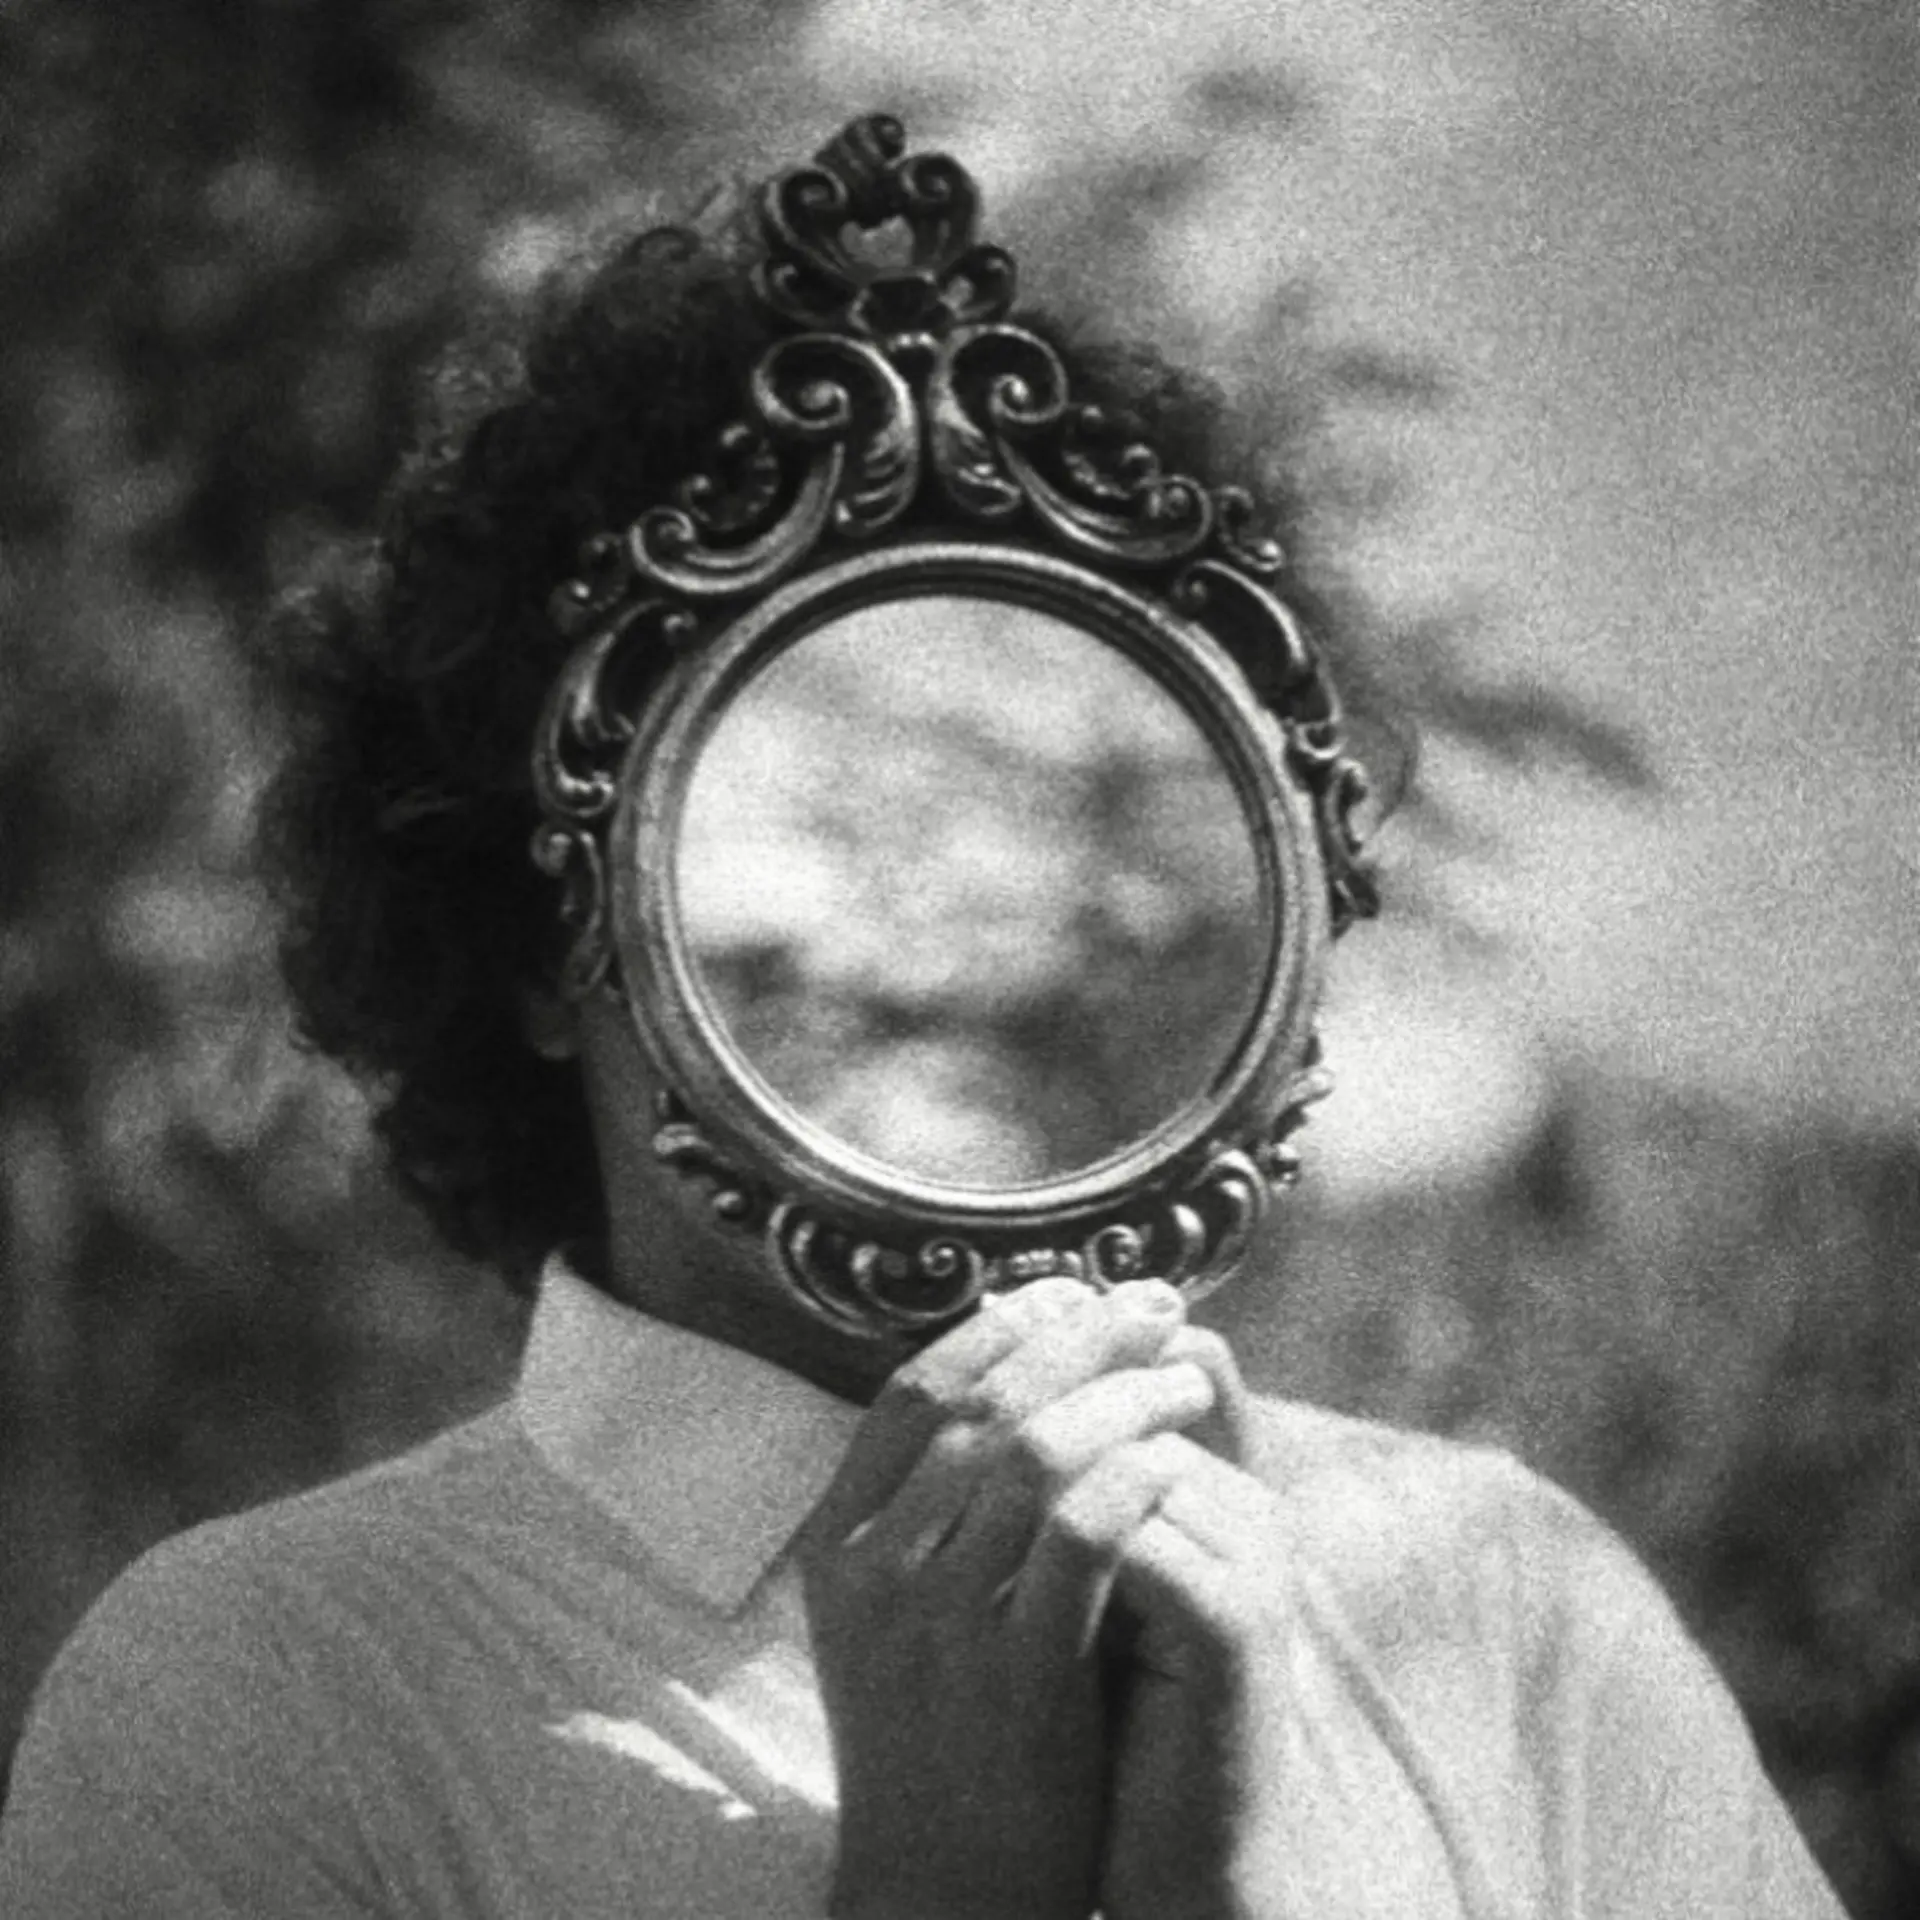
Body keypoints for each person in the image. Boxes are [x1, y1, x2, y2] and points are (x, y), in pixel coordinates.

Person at [0, 190, 1844, 1920]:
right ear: (533, 931)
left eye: (1056, 821)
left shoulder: (1509, 1609)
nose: (959, 931)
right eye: (810, 815)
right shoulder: (258, 1696)